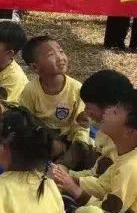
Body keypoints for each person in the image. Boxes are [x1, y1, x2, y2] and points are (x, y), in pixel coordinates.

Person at [18, 35, 92, 168]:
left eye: (61, 51)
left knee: (86, 148)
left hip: (69, 139)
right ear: (35, 68)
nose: (60, 57)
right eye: (51, 55)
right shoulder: (31, 90)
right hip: (43, 137)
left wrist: (78, 142)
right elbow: (25, 119)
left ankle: (64, 163)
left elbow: (81, 125)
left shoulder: (76, 88)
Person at [70, 69, 133, 186]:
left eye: (89, 107)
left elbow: (101, 182)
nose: (86, 111)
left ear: (110, 109)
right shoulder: (114, 129)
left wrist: (67, 179)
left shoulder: (120, 143)